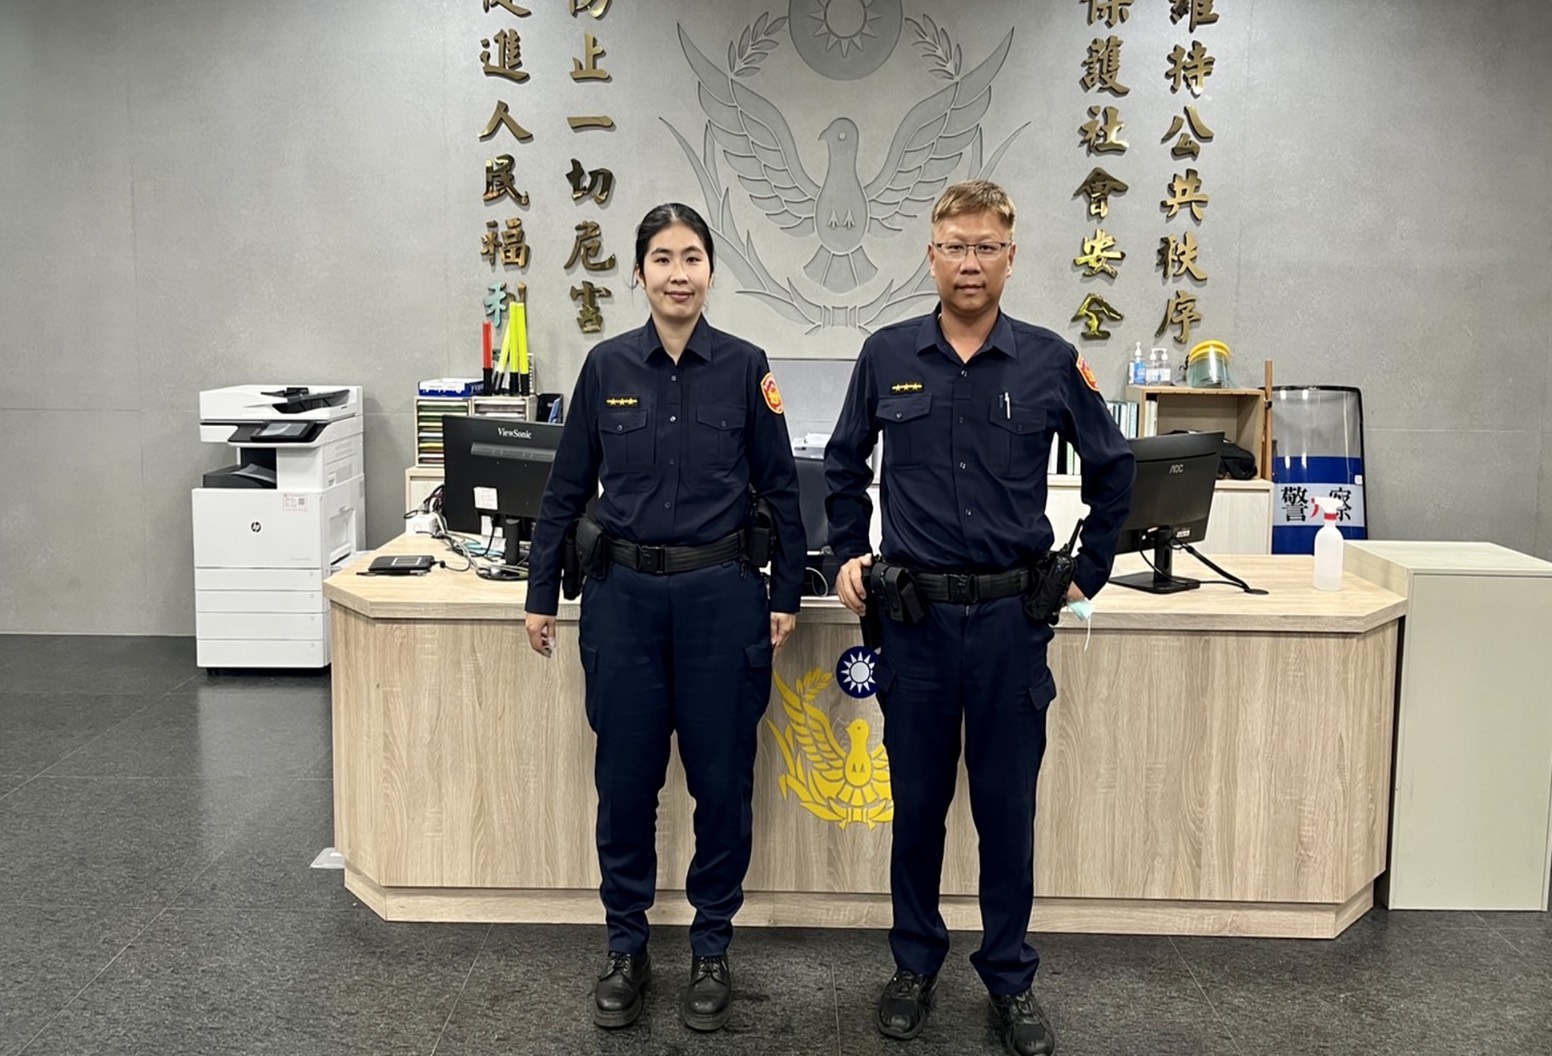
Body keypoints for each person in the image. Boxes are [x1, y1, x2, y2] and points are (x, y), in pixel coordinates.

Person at [824, 180, 1134, 1056]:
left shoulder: (1048, 361)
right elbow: (843, 464)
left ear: (1010, 256)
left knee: (1006, 813)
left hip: (1009, 625)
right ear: (931, 255)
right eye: (955, 246)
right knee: (917, 808)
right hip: (914, 623)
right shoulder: (887, 354)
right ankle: (914, 965)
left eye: (986, 247)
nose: (970, 262)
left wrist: (1088, 572)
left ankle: (1009, 979)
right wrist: (847, 550)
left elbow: (1114, 468)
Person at [523, 203, 804, 1032]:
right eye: (662, 258)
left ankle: (712, 948)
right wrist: (540, 592)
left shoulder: (747, 367)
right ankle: (626, 946)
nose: (678, 274)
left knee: (722, 788)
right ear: (639, 273)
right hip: (625, 604)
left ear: (711, 271)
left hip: (722, 598)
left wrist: (786, 594)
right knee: (624, 785)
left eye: (691, 258)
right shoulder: (606, 365)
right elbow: (565, 490)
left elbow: (783, 490)